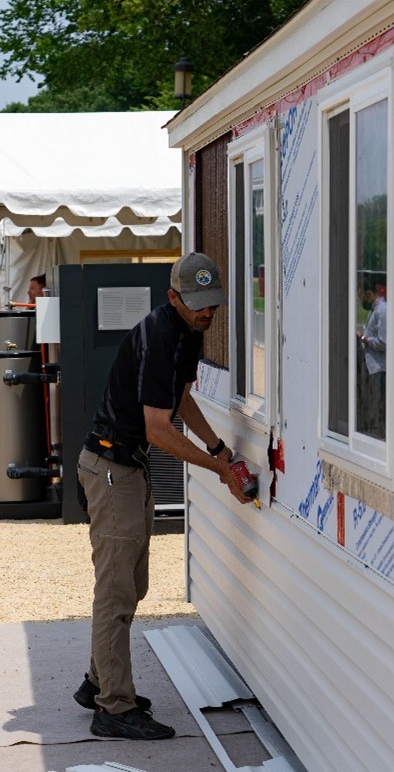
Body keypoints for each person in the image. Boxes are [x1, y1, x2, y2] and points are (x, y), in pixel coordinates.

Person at [75, 252, 252, 741]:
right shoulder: (158, 335)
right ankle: (113, 706)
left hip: (128, 469)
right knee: (114, 594)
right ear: (172, 296)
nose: (206, 313)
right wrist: (218, 467)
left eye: (212, 304)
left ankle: (99, 682)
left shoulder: (187, 334)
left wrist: (218, 446)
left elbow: (178, 399)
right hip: (112, 469)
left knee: (133, 585)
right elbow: (157, 429)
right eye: (196, 304)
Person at [356, 272, 387, 439]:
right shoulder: (374, 311)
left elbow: (383, 342)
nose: (361, 301)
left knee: (379, 407)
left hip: (380, 368)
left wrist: (363, 338)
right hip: (373, 368)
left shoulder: (382, 311)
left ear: (369, 293)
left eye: (362, 297)